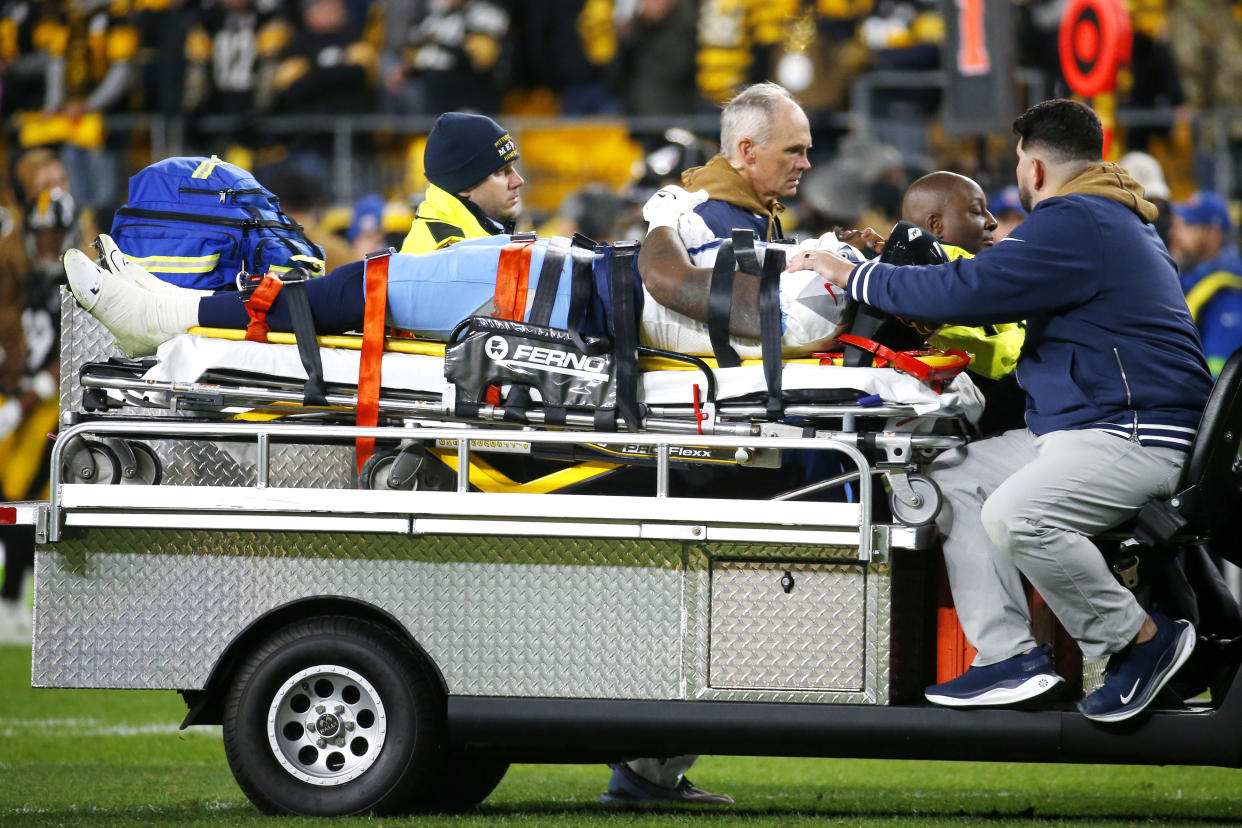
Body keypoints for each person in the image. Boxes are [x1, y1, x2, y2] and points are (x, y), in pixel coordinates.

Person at [793, 99, 1210, 723]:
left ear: (1035, 169)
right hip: (1095, 426)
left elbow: (973, 290)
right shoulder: (1108, 217)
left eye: (1018, 165)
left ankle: (1138, 642)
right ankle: (1009, 657)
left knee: (1020, 514)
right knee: (952, 476)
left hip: (1131, 433)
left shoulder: (1079, 219)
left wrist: (854, 276)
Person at [678, 82, 811, 246]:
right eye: (792, 151)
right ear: (748, 151)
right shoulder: (703, 223)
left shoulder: (756, 210)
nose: (805, 164)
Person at [401, 112, 524, 254]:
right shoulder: (448, 253)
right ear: (464, 186)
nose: (518, 181)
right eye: (501, 171)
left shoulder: (473, 240)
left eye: (513, 167)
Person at [1168, 191, 1242, 377]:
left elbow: (1219, 382)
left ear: (1213, 235)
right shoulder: (1187, 281)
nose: (1173, 233)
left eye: (1186, 226)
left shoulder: (1229, 293)